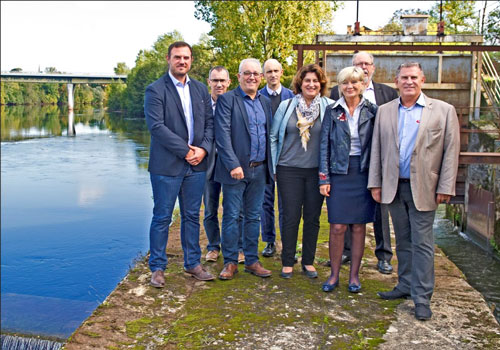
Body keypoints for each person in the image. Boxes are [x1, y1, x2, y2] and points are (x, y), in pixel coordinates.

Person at [368, 62, 460, 320]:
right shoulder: (385, 111)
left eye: (413, 77)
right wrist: (375, 182)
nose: (408, 82)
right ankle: (405, 285)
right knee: (403, 240)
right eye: (404, 78)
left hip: (426, 188)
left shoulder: (443, 111)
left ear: (423, 80)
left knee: (423, 243)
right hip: (394, 186)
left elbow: (451, 152)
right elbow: (377, 149)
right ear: (396, 81)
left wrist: (445, 186)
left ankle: (421, 298)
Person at [144, 41, 215, 287]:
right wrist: (186, 151)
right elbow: (157, 128)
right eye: (177, 57)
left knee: (192, 216)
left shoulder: (200, 90)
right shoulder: (155, 90)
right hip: (166, 166)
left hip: (196, 166)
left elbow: (209, 124)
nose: (182, 61)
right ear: (168, 59)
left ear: (191, 60)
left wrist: (203, 149)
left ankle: (193, 264)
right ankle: (157, 267)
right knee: (162, 217)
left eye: (186, 57)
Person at [330, 52, 398, 274]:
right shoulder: (335, 95)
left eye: (367, 64)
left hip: (371, 164)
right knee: (345, 219)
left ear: (373, 68)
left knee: (380, 211)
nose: (363, 67)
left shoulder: (387, 94)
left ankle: (384, 255)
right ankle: (347, 253)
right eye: (359, 64)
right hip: (343, 167)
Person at [270, 64, 333, 279]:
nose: (311, 84)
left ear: (321, 84)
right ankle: (288, 261)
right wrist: (274, 167)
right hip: (288, 169)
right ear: (300, 83)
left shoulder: (329, 106)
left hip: (316, 171)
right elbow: (273, 136)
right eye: (307, 80)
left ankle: (308, 261)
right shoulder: (287, 106)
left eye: (316, 81)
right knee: (290, 216)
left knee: (313, 218)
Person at [319, 66, 378, 293]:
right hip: (338, 173)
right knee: (337, 226)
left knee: (358, 227)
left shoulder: (373, 110)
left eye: (354, 82)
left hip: (363, 173)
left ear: (362, 84)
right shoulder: (332, 111)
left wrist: (376, 180)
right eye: (345, 83)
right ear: (340, 86)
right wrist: (324, 178)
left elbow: (377, 146)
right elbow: (324, 145)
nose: (349, 87)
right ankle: (334, 275)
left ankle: (354, 276)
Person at [214, 58, 274, 280]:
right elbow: (222, 136)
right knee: (231, 216)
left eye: (255, 73)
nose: (251, 77)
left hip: (259, 170)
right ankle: (230, 262)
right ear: (238, 77)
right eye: (247, 73)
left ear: (261, 77)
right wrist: (233, 165)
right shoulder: (227, 100)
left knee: (253, 217)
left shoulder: (265, 102)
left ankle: (251, 260)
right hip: (236, 171)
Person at [203, 66, 245, 264]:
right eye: (215, 80)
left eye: (222, 80)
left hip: (232, 164)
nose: (219, 84)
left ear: (229, 82)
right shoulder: (201, 106)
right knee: (210, 208)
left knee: (236, 209)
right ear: (208, 82)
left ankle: (238, 247)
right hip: (209, 164)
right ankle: (213, 246)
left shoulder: (238, 103)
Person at [258, 59, 295, 257]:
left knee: (287, 203)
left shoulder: (292, 97)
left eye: (275, 71)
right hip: (265, 157)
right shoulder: (258, 96)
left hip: (287, 157)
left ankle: (288, 243)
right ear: (264, 75)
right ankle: (269, 241)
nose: (272, 75)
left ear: (281, 72)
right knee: (266, 202)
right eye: (268, 72)